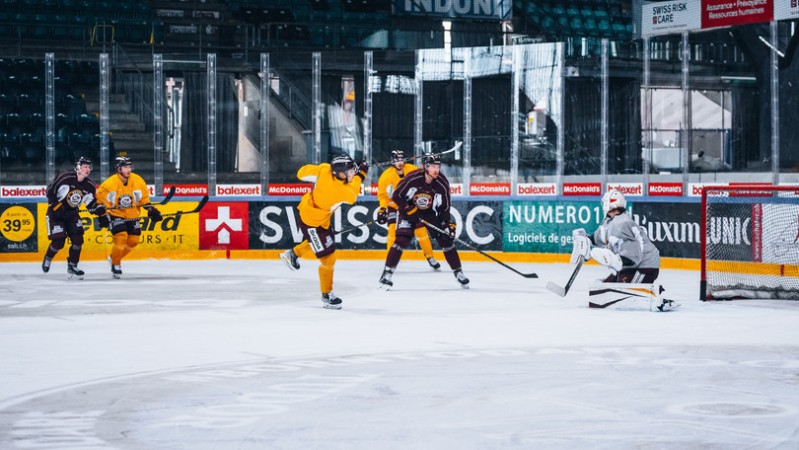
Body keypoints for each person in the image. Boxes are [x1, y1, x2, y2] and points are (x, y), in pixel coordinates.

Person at [279, 154, 369, 309]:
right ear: (341, 174)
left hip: (314, 215)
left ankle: (293, 254)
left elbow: (301, 173)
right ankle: (326, 295)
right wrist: (361, 173)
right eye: (349, 171)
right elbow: (354, 189)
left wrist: (323, 168)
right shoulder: (345, 192)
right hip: (312, 223)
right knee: (328, 259)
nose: (352, 173)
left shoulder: (325, 170)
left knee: (321, 243)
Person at [571, 189, 677, 311]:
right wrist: (587, 240)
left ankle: (655, 299)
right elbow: (600, 236)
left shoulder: (622, 223)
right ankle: (647, 294)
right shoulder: (610, 221)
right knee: (601, 289)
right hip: (630, 267)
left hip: (645, 267)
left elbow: (633, 257)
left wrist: (610, 259)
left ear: (608, 204)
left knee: (620, 290)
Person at [378, 153, 469, 290]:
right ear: (425, 167)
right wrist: (409, 210)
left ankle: (458, 272)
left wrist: (447, 224)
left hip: (428, 213)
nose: (436, 170)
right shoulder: (413, 178)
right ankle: (387, 274)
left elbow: (444, 208)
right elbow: (397, 196)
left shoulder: (441, 183)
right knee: (401, 240)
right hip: (407, 212)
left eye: (438, 166)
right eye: (433, 166)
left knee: (446, 240)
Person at [96, 156, 163, 279]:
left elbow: (144, 199)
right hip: (117, 215)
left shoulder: (138, 181)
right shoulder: (109, 184)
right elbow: (100, 201)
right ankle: (116, 265)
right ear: (118, 168)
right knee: (121, 237)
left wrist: (151, 210)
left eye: (129, 167)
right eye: (125, 167)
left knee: (133, 241)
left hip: (133, 215)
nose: (128, 169)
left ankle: (114, 257)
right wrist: (102, 214)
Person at [42, 156, 106, 279]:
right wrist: (55, 206)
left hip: (72, 214)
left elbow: (90, 204)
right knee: (59, 242)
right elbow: (50, 192)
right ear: (78, 168)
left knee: (78, 241)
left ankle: (73, 265)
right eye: (85, 166)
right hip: (56, 213)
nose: (87, 169)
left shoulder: (90, 186)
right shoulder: (65, 178)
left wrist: (99, 210)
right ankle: (48, 257)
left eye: (89, 167)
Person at [376, 150, 440, 271]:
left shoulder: (412, 169)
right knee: (392, 232)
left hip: (410, 206)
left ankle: (430, 257)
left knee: (421, 231)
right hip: (394, 206)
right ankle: (390, 261)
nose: (399, 162)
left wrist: (427, 161)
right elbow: (383, 196)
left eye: (401, 159)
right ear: (392, 161)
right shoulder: (385, 176)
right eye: (397, 159)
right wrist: (382, 209)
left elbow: (426, 175)